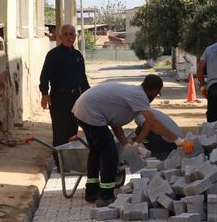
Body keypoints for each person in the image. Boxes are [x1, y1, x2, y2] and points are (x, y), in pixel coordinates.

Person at [72, 74, 194, 206]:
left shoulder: (132, 93)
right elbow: (152, 123)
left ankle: (91, 193)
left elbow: (115, 123)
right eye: (157, 94)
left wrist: (126, 145)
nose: (156, 96)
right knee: (110, 154)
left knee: (96, 151)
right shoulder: (140, 96)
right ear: (155, 90)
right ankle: (106, 196)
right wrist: (178, 141)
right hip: (90, 112)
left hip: (81, 109)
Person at [39, 24, 90, 170]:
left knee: (72, 131)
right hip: (59, 98)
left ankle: (70, 162)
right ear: (60, 37)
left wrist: (89, 95)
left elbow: (83, 79)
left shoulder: (78, 56)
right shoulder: (53, 54)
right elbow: (44, 76)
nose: (69, 37)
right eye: (66, 34)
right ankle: (60, 164)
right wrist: (44, 93)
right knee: (60, 131)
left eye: (72, 34)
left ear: (75, 36)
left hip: (76, 98)